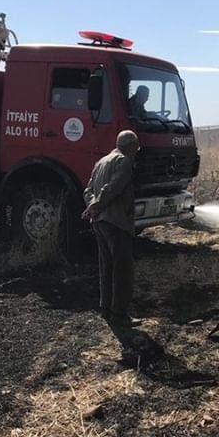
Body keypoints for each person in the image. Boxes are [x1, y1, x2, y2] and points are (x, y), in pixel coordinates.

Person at [83, 130, 141, 327]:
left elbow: (88, 190)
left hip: (99, 222)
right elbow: (113, 188)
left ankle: (106, 308)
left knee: (106, 266)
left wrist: (92, 205)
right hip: (116, 222)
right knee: (122, 269)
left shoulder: (101, 162)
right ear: (131, 146)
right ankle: (120, 314)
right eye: (136, 147)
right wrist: (97, 205)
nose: (136, 151)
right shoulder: (123, 161)